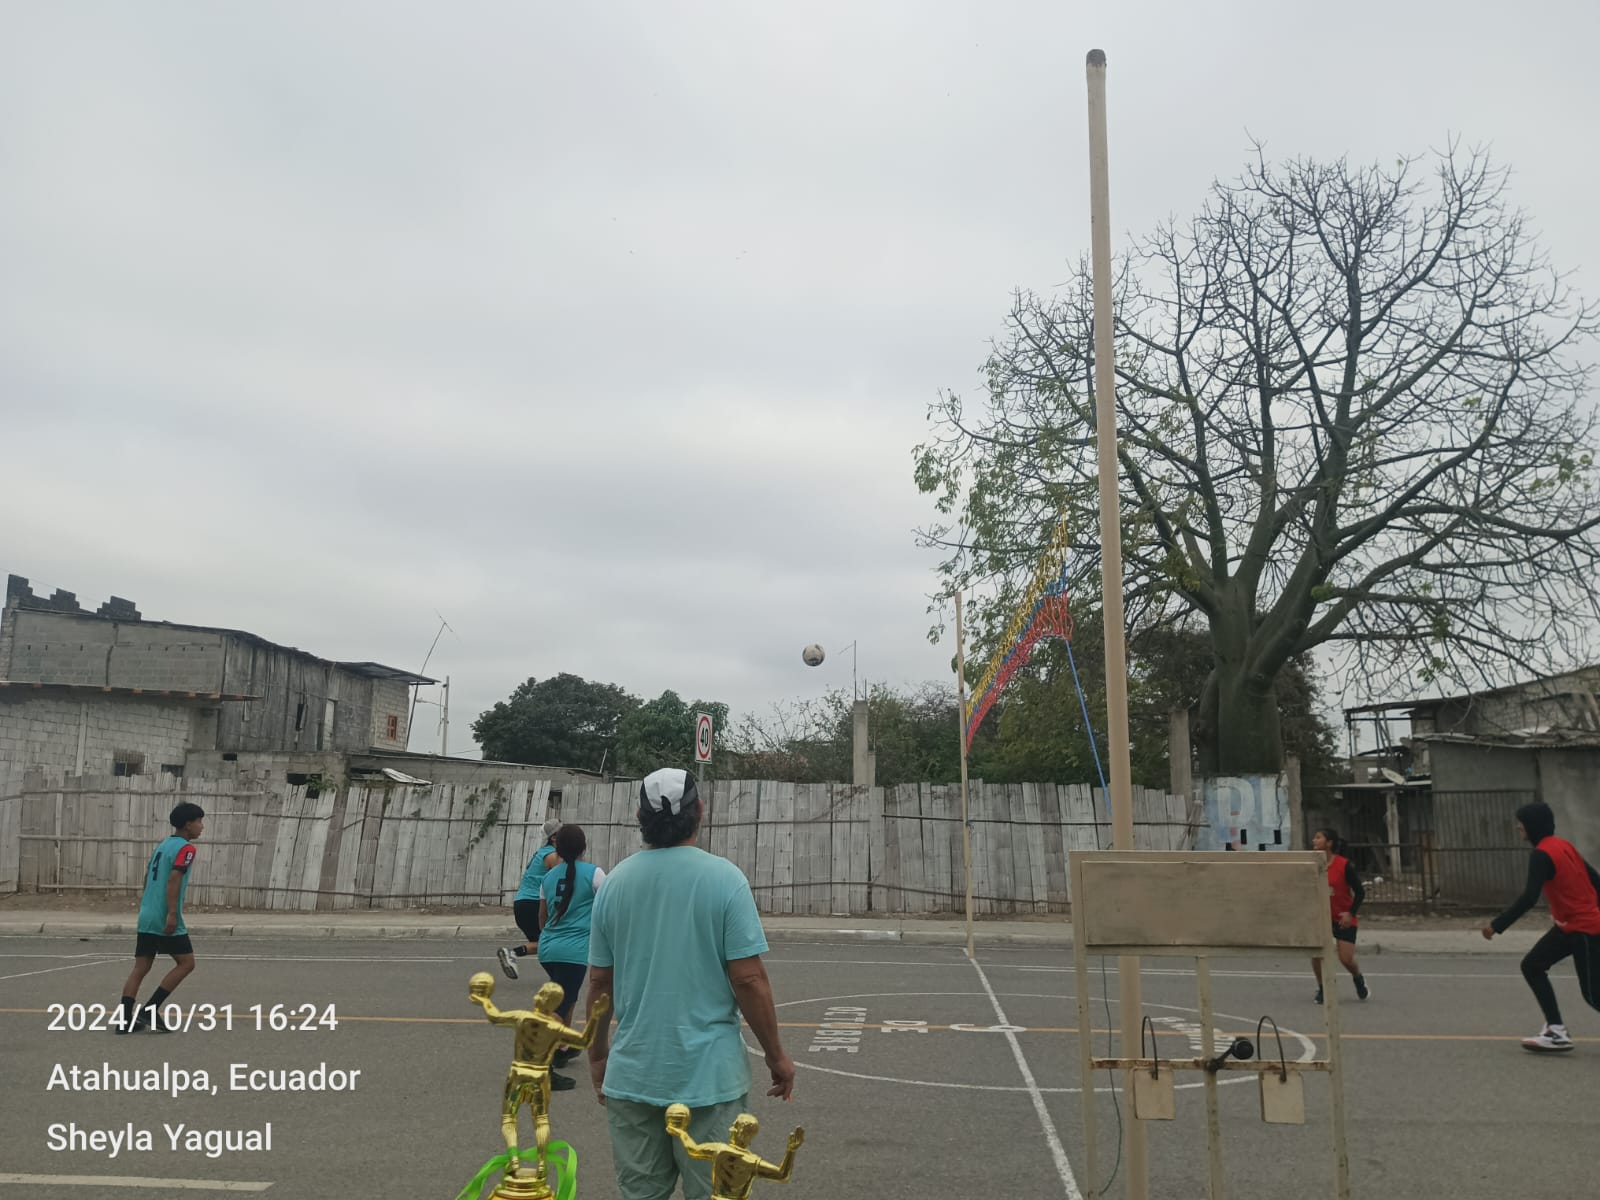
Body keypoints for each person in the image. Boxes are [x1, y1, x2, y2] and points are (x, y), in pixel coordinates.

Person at [586, 767, 796, 1200]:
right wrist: (776, 1056)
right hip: (708, 1080)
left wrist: (598, 1055)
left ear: (640, 817)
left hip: (634, 1075)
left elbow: (600, 984)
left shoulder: (614, 884)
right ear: (700, 810)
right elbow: (749, 979)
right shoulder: (725, 880)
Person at [1481, 802, 1600, 1052]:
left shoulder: (1542, 854)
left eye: (1521, 823)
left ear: (1532, 826)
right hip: (1570, 927)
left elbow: (1529, 898)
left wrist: (1496, 925)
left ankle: (1556, 1031)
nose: (1518, 827)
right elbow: (1596, 880)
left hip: (1585, 929)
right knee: (1532, 965)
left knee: (1593, 995)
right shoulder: (1564, 845)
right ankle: (1556, 1031)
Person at [468, 973, 609, 1184]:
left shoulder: (522, 1017)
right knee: (541, 1119)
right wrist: (595, 1018)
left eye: (541, 993)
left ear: (543, 999)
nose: (537, 995)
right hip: (540, 1076)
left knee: (509, 1118)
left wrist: (484, 1000)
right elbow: (584, 1041)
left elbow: (494, 1016)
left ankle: (513, 1159)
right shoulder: (555, 1028)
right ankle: (542, 1163)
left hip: (518, 1073)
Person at [115, 802, 205, 1034]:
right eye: (199, 821)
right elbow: (174, 879)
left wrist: (149, 903)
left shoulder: (163, 845)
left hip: (147, 914)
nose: (202, 826)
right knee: (187, 963)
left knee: (141, 967)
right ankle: (150, 1010)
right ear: (188, 824)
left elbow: (147, 877)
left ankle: (124, 1020)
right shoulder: (186, 849)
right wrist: (172, 914)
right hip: (164, 915)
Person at [537, 823, 606, 1090]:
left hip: (548, 948)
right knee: (558, 1008)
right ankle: (542, 1067)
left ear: (557, 847)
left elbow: (542, 917)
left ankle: (561, 1048)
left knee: (567, 999)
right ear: (584, 847)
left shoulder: (548, 878)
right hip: (573, 952)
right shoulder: (595, 874)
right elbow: (608, 910)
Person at [498, 818, 562, 979]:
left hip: (522, 903)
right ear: (554, 837)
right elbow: (565, 878)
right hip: (534, 904)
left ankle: (513, 954)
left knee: (543, 943)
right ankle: (559, 980)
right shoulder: (552, 856)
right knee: (554, 941)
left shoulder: (541, 852)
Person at [1311, 828, 1369, 1004]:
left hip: (1343, 918)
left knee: (1346, 959)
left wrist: (1350, 913)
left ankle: (1358, 978)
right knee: (1317, 955)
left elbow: (1360, 892)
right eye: (1314, 838)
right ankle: (1323, 988)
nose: (1314, 840)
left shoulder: (1344, 865)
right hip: (1322, 917)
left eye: (1318, 837)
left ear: (1329, 843)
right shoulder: (1313, 864)